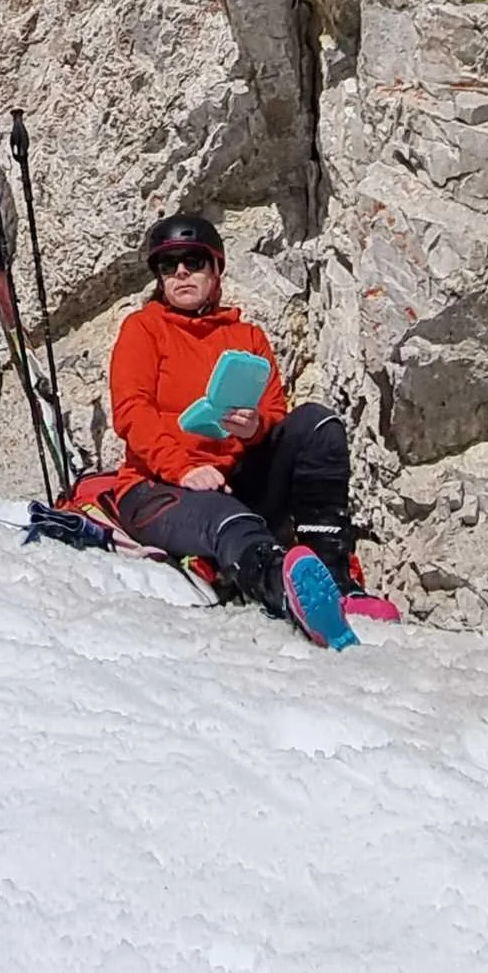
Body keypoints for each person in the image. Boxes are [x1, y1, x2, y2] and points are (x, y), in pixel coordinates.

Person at [105, 210, 359, 649]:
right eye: (169, 264)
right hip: (156, 488)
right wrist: (183, 468)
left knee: (318, 424)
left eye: (193, 261)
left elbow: (275, 411)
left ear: (215, 269)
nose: (181, 272)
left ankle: (334, 577)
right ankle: (282, 587)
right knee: (228, 518)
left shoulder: (247, 337)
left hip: (233, 479)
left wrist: (255, 427)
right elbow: (131, 411)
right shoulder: (143, 329)